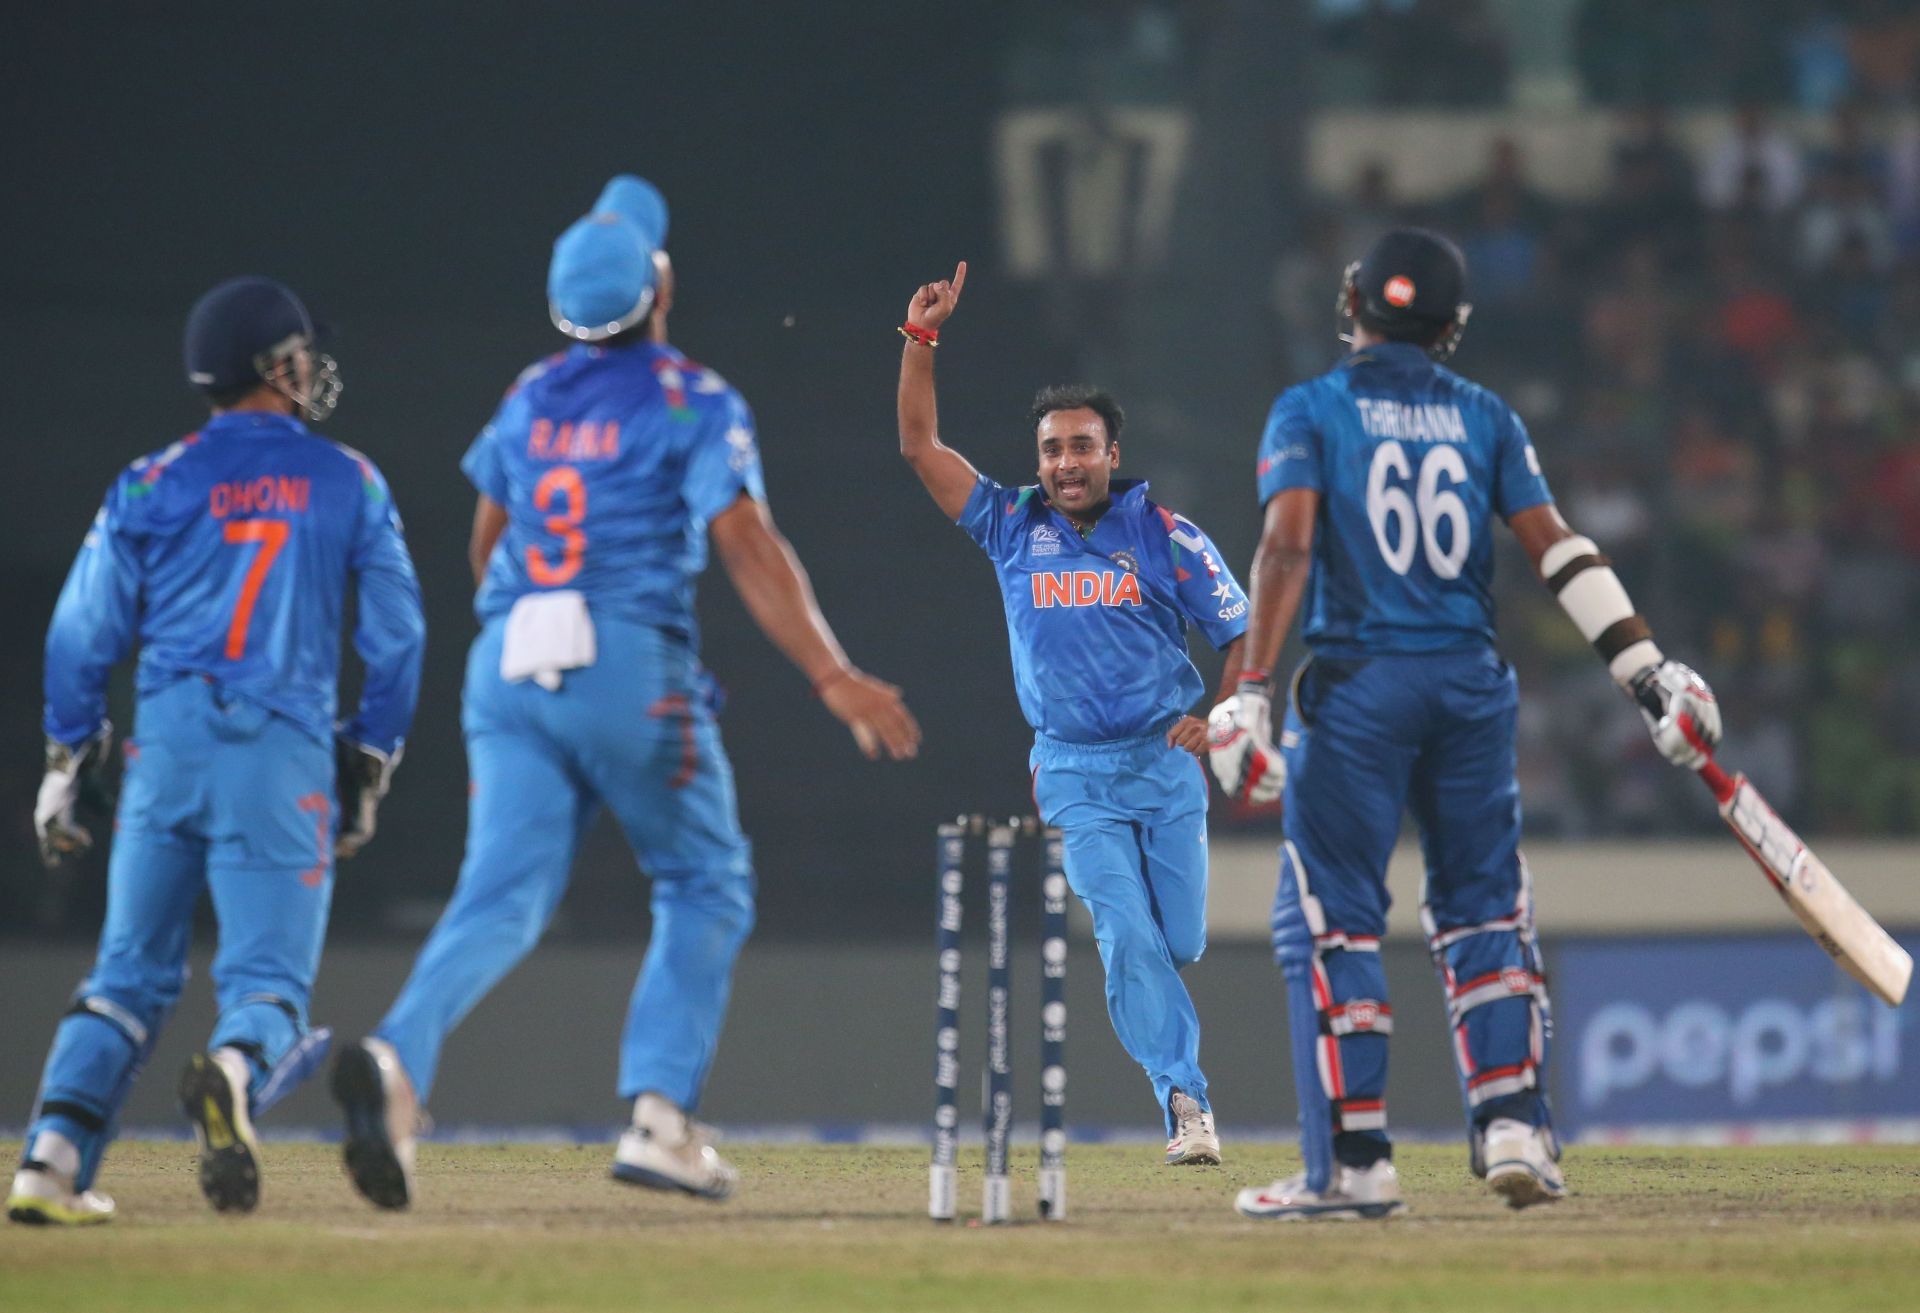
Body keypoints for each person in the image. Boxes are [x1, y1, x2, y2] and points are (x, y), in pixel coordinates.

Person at [331, 177, 920, 1209]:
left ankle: (396, 1059)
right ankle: (659, 1117)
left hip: (509, 658)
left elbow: (487, 543)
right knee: (705, 879)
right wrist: (831, 670)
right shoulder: (693, 397)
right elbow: (745, 538)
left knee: (500, 895)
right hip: (624, 657)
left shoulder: (527, 393)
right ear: (660, 286)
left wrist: (535, 638)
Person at [1209, 229, 1720, 1219]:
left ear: (1351, 302)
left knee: (1332, 917)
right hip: (1471, 685)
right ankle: (1516, 1123)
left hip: (1360, 685)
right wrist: (1646, 670)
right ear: (1452, 328)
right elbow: (1559, 550)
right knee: (1486, 907)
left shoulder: (1310, 406)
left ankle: (1355, 1162)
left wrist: (1251, 688)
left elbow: (1286, 545)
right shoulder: (1484, 415)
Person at [10, 277, 425, 1224]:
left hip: (165, 749)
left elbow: (79, 634)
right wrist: (369, 758)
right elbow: (397, 638)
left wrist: (70, 758)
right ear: (277, 366)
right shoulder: (347, 478)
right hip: (279, 752)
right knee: (269, 986)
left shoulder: (150, 479)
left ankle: (48, 1163)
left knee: (125, 976)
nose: (314, 365)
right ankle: (234, 1076)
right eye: (302, 353)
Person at [897, 261, 1250, 1165]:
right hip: (1072, 769)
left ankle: (1172, 1061)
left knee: (1178, 940)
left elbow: (1240, 633)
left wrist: (1221, 712)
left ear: (1112, 454)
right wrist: (921, 340)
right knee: (1127, 933)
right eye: (1052, 448)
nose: (1064, 463)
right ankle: (1186, 1100)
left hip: (1164, 763)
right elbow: (919, 448)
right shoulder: (1012, 523)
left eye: (1081, 446)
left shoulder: (1166, 534)